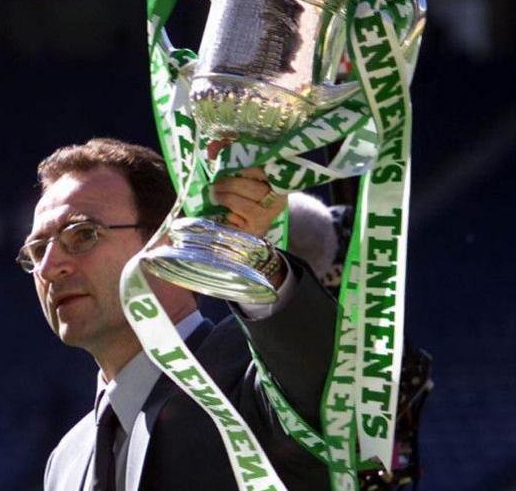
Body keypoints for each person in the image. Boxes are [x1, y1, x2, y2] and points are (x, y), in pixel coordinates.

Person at [21, 138, 337, 491]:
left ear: (169, 243)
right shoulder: (65, 462)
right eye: (36, 251)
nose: (49, 268)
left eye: (82, 235)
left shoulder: (257, 375)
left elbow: (319, 381)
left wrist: (256, 261)